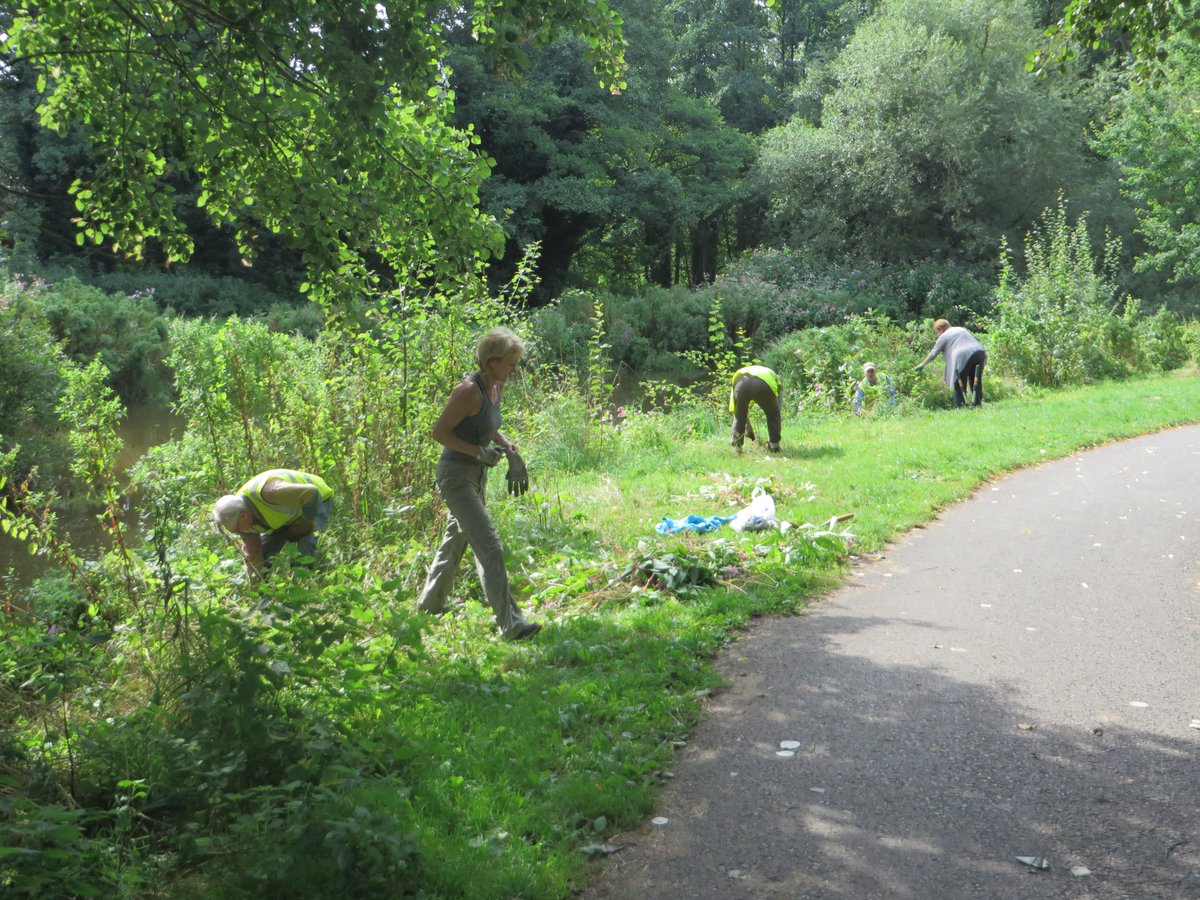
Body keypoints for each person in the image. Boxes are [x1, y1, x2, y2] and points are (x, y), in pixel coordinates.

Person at [417, 327, 541, 641]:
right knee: (489, 546)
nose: (514, 369)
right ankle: (512, 625)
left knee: (455, 541)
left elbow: (487, 425)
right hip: (456, 476)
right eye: (510, 363)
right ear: (492, 361)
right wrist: (478, 451)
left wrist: (507, 446)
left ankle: (428, 607)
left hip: (477, 474)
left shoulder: (496, 387)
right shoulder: (468, 391)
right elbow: (440, 433)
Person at [212, 469, 334, 577]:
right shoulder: (240, 517)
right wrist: (255, 589)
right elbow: (255, 554)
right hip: (286, 516)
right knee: (264, 553)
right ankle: (264, 595)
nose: (239, 533)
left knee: (305, 543)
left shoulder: (270, 493)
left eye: (237, 530)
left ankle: (308, 584)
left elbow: (311, 492)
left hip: (315, 500)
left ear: (244, 515)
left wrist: (306, 522)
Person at [915, 319, 988, 408]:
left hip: (963, 355)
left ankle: (961, 406)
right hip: (979, 351)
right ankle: (977, 404)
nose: (936, 335)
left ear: (940, 329)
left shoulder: (943, 336)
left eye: (936, 332)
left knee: (958, 382)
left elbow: (933, 354)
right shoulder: (961, 329)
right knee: (975, 380)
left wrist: (922, 364)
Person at [729, 364, 782, 452]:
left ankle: (737, 448)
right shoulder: (773, 376)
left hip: (741, 384)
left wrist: (748, 427)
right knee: (773, 415)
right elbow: (777, 411)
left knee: (739, 417)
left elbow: (738, 412)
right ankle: (774, 446)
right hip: (762, 385)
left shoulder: (739, 374)